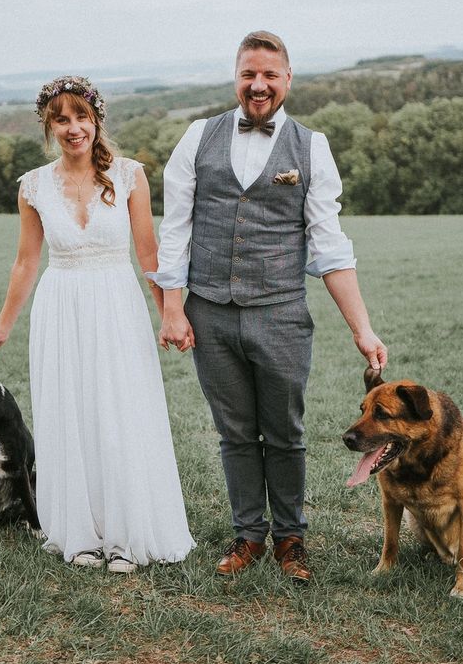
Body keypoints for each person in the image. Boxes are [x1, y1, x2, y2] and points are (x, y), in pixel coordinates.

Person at [152, 31, 387, 583]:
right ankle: (247, 535)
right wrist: (172, 308)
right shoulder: (196, 137)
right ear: (236, 76)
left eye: (269, 75)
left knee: (284, 432)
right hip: (208, 311)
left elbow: (329, 245)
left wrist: (363, 329)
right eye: (247, 74)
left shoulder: (313, 147)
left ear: (287, 80)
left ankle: (291, 539)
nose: (257, 86)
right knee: (234, 431)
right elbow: (176, 229)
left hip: (281, 312)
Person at [0, 76, 195, 573]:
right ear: (49, 127)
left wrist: (170, 315)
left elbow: (148, 252)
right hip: (61, 308)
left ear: (96, 120)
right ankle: (83, 533)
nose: (73, 128)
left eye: (81, 117)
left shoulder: (131, 175)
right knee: (71, 413)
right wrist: (1, 329)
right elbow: (26, 263)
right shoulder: (33, 186)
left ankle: (124, 535)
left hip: (116, 304)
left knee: (119, 412)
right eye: (61, 120)